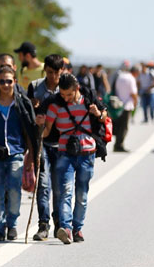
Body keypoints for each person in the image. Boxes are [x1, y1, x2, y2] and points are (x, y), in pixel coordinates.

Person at [43, 73, 107, 243]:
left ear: (77, 89)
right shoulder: (55, 106)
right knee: (66, 191)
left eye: (69, 94)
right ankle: (66, 228)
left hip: (87, 153)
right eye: (62, 95)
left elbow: (104, 117)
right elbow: (47, 130)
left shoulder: (88, 101)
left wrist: (98, 113)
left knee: (82, 194)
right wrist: (38, 127)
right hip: (65, 153)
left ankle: (78, 228)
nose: (66, 98)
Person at [0, 65, 36, 242]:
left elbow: (29, 130)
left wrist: (32, 155)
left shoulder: (21, 104)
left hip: (16, 154)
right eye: (2, 81)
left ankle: (12, 224)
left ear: (15, 82)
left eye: (9, 81)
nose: (5, 84)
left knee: (14, 192)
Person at [29, 54, 70, 240]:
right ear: (45, 70)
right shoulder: (35, 87)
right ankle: (43, 224)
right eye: (50, 72)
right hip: (42, 142)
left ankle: (60, 223)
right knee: (43, 185)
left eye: (57, 73)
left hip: (63, 144)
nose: (54, 77)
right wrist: (35, 111)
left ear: (63, 71)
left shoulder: (67, 88)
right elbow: (27, 114)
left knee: (59, 186)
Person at [112, 63, 138, 152]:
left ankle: (117, 144)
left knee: (119, 126)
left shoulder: (120, 76)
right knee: (124, 127)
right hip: (127, 105)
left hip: (118, 105)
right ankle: (119, 145)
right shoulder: (131, 79)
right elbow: (133, 93)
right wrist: (135, 103)